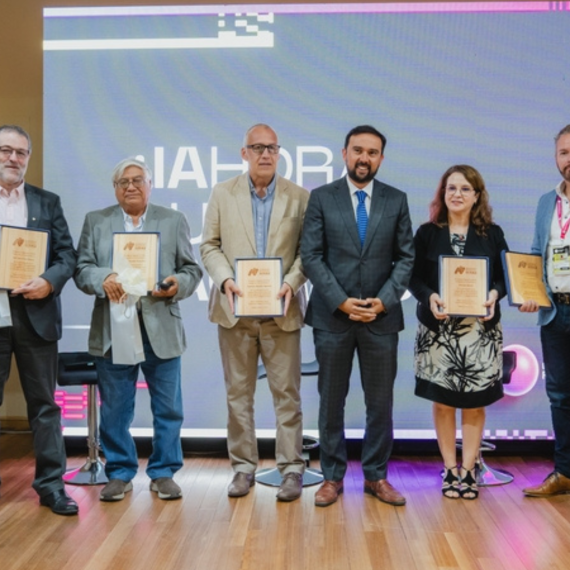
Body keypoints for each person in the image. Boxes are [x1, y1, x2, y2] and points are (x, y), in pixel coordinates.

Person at [74, 157, 202, 502]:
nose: (130, 186)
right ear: (115, 189)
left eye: (137, 180)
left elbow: (192, 270)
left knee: (168, 408)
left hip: (160, 324)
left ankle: (163, 473)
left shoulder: (173, 220)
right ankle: (119, 472)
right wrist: (105, 277)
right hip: (112, 326)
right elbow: (82, 269)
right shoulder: (96, 221)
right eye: (122, 182)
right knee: (115, 407)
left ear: (150, 185)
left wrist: (178, 284)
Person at [300, 125, 414, 507]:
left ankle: (376, 477)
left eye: (373, 152)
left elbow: (406, 257)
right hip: (333, 317)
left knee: (379, 403)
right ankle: (332, 476)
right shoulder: (321, 198)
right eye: (358, 150)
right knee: (331, 401)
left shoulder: (396, 200)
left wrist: (383, 301)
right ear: (344, 153)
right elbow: (311, 256)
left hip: (381, 319)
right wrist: (341, 301)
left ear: (381, 158)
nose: (365, 158)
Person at [200, 124, 309, 502]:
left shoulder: (300, 197)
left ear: (279, 152)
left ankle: (292, 469)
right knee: (238, 396)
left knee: (287, 395)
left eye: (272, 148)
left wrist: (291, 283)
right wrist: (225, 278)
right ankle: (242, 468)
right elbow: (209, 246)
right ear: (244, 152)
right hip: (234, 311)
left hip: (282, 311)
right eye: (257, 147)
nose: (265, 154)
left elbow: (307, 253)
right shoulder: (222, 193)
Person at [409, 165, 508, 500]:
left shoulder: (492, 234)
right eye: (451, 188)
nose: (457, 194)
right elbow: (414, 277)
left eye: (465, 189)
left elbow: (504, 278)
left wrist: (494, 294)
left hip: (479, 334)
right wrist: (430, 296)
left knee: (476, 405)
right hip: (440, 333)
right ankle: (450, 469)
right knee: (443, 403)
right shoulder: (426, 233)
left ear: (476, 195)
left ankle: (469, 471)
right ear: (442, 193)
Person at [0, 125, 78, 515]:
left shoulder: (47, 202)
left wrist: (49, 282)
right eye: (5, 151)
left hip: (36, 316)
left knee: (45, 407)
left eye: (20, 152)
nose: (13, 159)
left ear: (28, 157)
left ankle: (51, 487)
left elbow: (67, 255)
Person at [520, 125, 570, 497]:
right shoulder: (545, 202)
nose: (568, 159)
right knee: (559, 395)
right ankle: (565, 472)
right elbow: (538, 254)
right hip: (555, 313)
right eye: (564, 153)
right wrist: (529, 291)